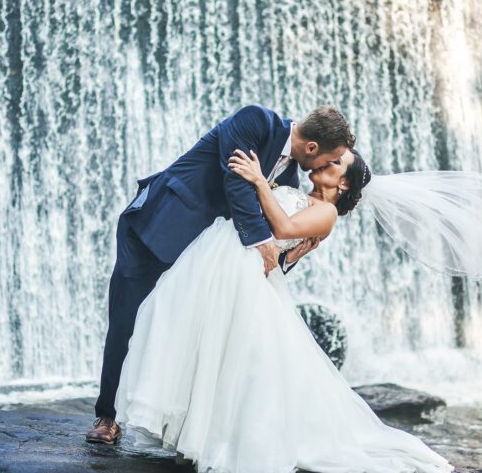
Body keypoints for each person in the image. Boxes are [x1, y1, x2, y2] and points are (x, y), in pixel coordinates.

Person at [110, 145, 458, 473]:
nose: (327, 162)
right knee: (194, 337)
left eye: (336, 163)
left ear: (344, 184)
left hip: (245, 273)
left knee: (233, 358)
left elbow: (284, 230)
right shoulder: (294, 186)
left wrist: (261, 182)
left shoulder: (328, 212)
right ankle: (189, 431)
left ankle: (217, 440)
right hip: (221, 257)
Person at [85, 104, 355, 445]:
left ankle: (174, 424)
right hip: (159, 230)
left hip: (204, 259)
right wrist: (264, 241)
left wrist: (288, 255)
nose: (326, 167)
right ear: (312, 148)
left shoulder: (290, 178)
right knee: (127, 320)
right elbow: (236, 184)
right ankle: (108, 416)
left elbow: (276, 228)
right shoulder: (255, 121)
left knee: (184, 331)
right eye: (329, 160)